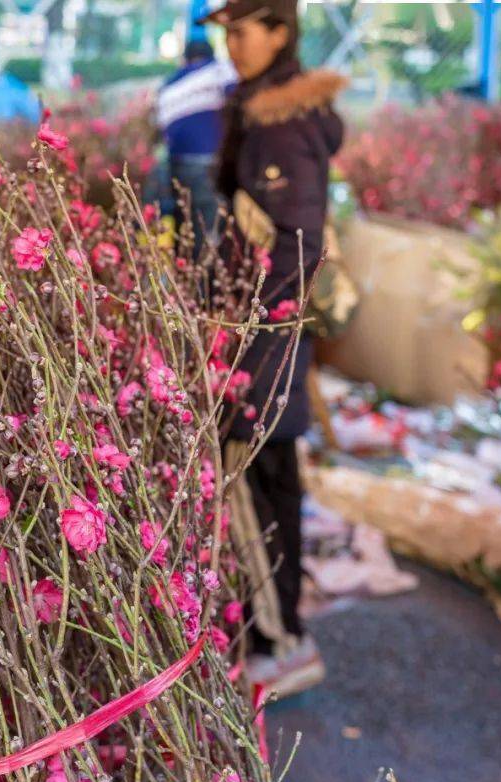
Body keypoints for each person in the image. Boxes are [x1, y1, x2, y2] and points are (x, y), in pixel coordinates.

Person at [201, 0, 346, 697]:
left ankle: (282, 642)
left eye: (242, 30)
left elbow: (298, 248)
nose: (232, 44)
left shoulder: (281, 123)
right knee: (272, 479)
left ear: (280, 32)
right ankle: (279, 630)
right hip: (264, 330)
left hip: (266, 336)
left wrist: (254, 343)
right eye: (225, 32)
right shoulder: (261, 109)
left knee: (253, 479)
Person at [154, 37, 238, 252]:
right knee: (210, 228)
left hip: (179, 163)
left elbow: (162, 128)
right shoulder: (221, 71)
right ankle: (204, 280)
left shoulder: (170, 84)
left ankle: (185, 273)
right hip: (212, 163)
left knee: (186, 223)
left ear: (185, 60)